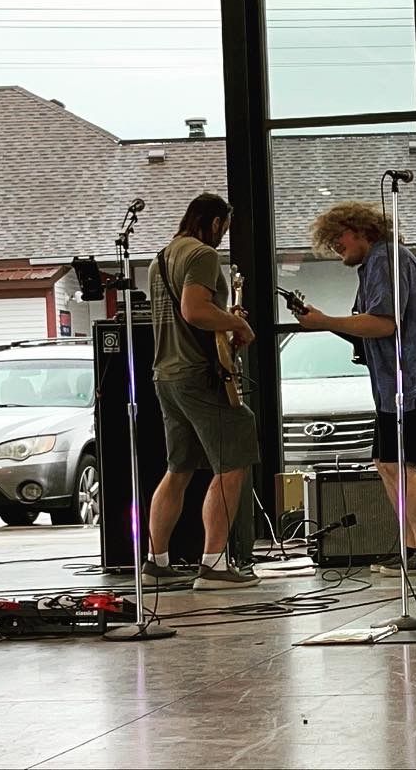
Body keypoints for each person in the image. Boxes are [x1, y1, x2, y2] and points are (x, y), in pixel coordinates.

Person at [296, 201, 416, 576]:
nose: (335, 246)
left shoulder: (386, 259)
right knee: (388, 463)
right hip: (401, 384)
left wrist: (326, 321)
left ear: (360, 230)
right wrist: (325, 322)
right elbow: (369, 328)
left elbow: (385, 323)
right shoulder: (379, 262)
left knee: (399, 464)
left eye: (338, 237)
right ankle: (413, 546)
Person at [144, 192, 262, 590]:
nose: (223, 236)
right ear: (214, 223)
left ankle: (156, 562)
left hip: (166, 375)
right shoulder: (202, 255)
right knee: (232, 464)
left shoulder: (160, 258)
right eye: (223, 229)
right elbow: (194, 311)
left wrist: (224, 318)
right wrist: (238, 324)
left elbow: (189, 314)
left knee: (178, 469)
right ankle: (213, 565)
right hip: (199, 375)